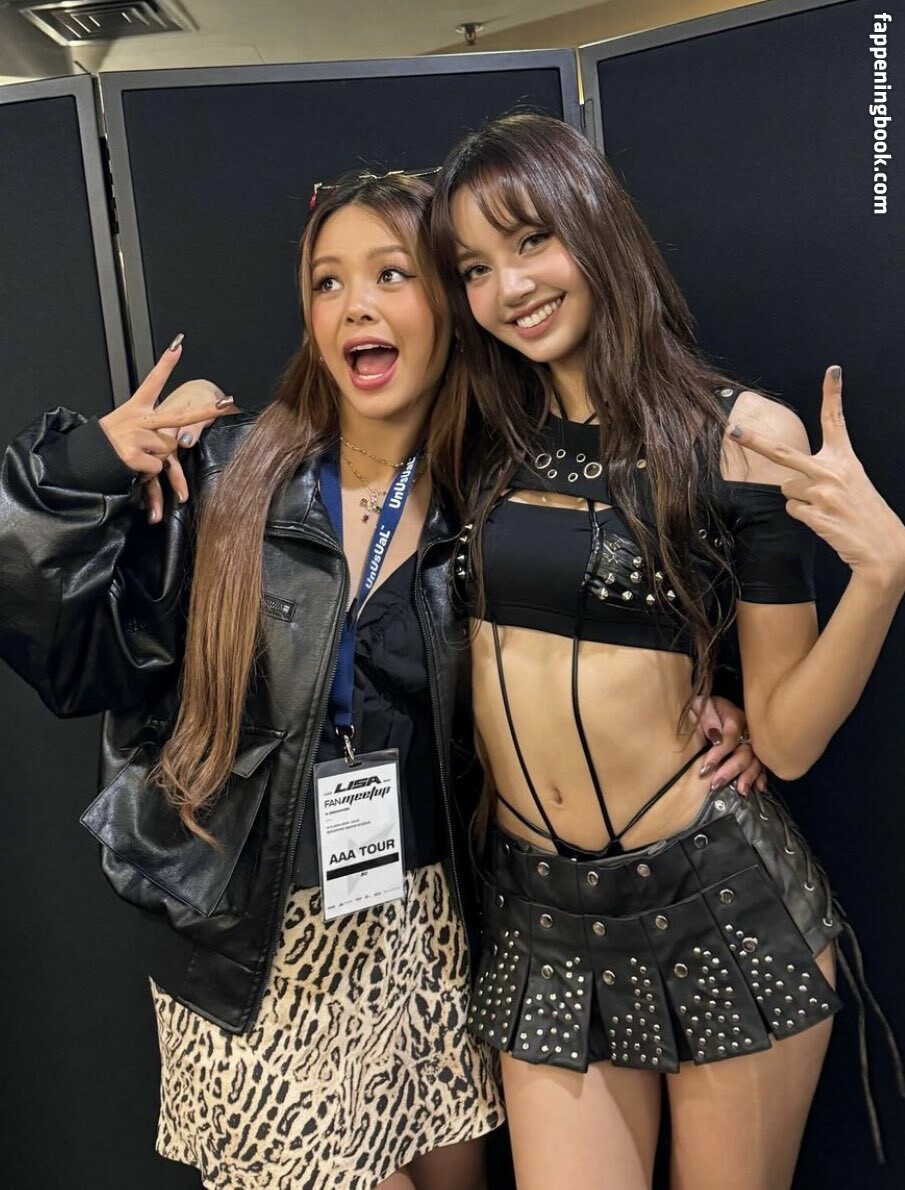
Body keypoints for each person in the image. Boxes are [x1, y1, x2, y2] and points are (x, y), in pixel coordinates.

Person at [0, 166, 761, 1190]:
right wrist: (88, 463)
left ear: (449, 306)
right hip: (256, 958)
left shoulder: (491, 505)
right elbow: (56, 636)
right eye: (327, 282)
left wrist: (714, 707)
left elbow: (596, 641)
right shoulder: (222, 475)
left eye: (391, 274)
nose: (354, 304)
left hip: (428, 935)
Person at [427, 113, 905, 1189]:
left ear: (593, 226)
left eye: (531, 239)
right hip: (539, 916)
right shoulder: (478, 440)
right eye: (475, 267)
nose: (509, 286)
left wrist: (882, 575)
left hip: (718, 906)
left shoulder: (739, 434)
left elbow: (785, 738)